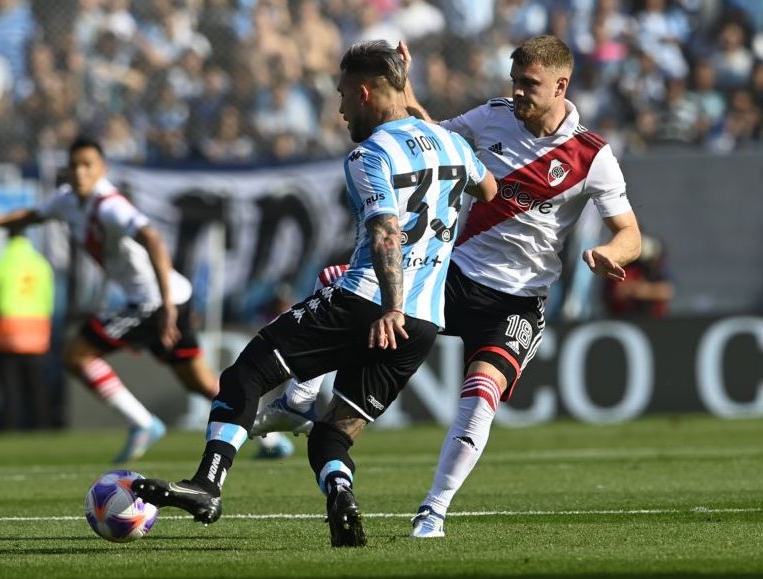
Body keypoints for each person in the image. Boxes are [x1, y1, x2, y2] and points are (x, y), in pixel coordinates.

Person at [252, 35, 642, 538]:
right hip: (450, 277)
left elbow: (629, 231)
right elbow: (431, 136)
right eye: (515, 81)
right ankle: (302, 398)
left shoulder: (592, 156)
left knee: (480, 394)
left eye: (530, 85)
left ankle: (433, 511)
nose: (518, 92)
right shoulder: (493, 115)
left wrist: (613, 253)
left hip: (517, 302)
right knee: (350, 286)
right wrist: (406, 82)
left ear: (561, 85)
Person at [131, 39, 497, 548]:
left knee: (248, 372)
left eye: (344, 95)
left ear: (366, 93)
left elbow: (386, 232)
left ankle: (207, 483)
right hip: (423, 323)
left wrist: (389, 304)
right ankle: (341, 494)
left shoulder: (369, 154)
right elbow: (489, 191)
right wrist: (415, 105)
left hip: (369, 302)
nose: (341, 109)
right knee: (332, 432)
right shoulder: (453, 145)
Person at [0, 137, 220, 461]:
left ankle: (143, 424)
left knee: (76, 355)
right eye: (74, 165)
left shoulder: (110, 205)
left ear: (102, 169)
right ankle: (269, 439)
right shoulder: (67, 200)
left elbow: (153, 238)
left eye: (88, 165)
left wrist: (167, 304)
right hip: (168, 297)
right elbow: (32, 214)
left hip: (155, 301)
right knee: (198, 383)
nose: (80, 171)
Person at [0, 226, 54, 430]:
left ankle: (12, 427)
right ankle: (43, 426)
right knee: (36, 384)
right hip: (36, 330)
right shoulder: (40, 263)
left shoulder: (0, 263)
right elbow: (48, 297)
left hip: (5, 330)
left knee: (10, 386)